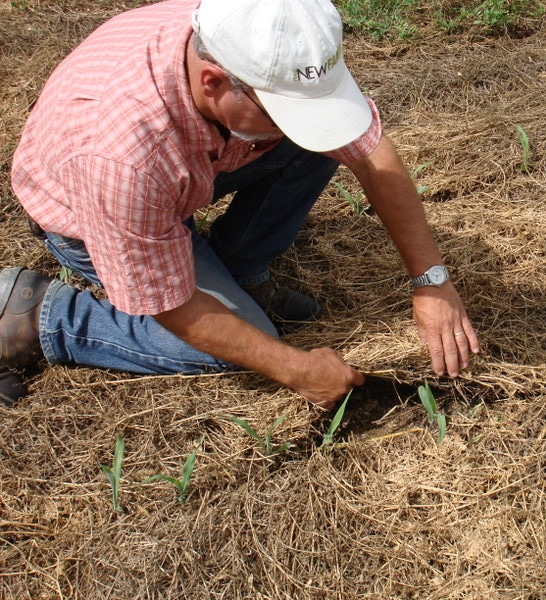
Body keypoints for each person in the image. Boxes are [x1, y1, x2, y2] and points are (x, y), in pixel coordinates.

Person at [0, 0, 479, 408]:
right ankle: (46, 315)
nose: (293, 122)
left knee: (323, 138)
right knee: (228, 346)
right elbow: (170, 305)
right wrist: (296, 369)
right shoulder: (122, 155)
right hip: (91, 212)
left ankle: (242, 273)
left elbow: (369, 150)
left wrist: (430, 280)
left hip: (179, 174)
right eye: (280, 112)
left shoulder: (265, 32)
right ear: (213, 82)